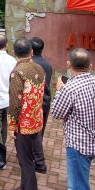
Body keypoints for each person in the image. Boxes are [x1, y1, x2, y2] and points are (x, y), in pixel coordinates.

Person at [51, 48, 95, 190]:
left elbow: (57, 113)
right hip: (93, 140)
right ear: (90, 66)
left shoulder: (70, 88)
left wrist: (59, 90)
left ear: (68, 65)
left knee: (78, 188)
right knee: (79, 181)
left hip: (77, 144)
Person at [3, 38, 45, 190]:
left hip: (23, 124)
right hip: (36, 120)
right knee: (26, 158)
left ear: (14, 53)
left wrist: (12, 125)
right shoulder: (39, 67)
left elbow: (14, 102)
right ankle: (23, 187)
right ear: (32, 52)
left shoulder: (17, 72)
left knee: (25, 160)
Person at [30, 37, 52, 174]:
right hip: (45, 101)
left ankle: (38, 160)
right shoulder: (47, 65)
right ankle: (36, 155)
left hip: (33, 102)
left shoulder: (30, 65)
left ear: (31, 50)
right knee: (40, 130)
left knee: (32, 132)